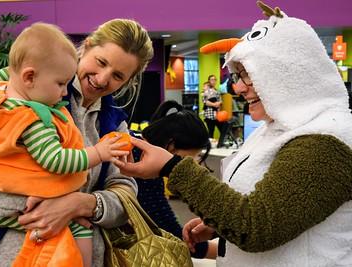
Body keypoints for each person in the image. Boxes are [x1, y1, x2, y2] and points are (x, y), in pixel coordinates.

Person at [117, 2, 352, 266]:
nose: (237, 88)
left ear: (287, 74)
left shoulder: (323, 142)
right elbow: (278, 213)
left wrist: (174, 168)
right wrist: (221, 224)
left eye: (247, 75)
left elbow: (257, 225)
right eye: (236, 76)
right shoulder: (278, 128)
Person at [0, 18, 153, 267]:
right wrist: (37, 208)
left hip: (81, 256)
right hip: (9, 252)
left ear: (128, 81)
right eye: (101, 62)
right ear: (87, 46)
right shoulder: (30, 93)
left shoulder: (114, 124)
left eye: (118, 76)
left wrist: (81, 204)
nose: (102, 79)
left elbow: (126, 196)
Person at [132, 100, 218, 258]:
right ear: (171, 146)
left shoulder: (139, 148)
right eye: (192, 157)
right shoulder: (143, 163)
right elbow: (164, 227)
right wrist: (220, 251)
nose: (195, 163)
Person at [202, 74, 228, 148]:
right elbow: (205, 101)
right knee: (211, 131)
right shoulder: (206, 91)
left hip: (217, 114)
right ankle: (209, 147)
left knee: (223, 127)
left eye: (214, 79)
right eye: (212, 79)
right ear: (209, 81)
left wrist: (218, 103)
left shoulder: (217, 90)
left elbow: (220, 100)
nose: (213, 81)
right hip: (209, 114)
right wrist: (214, 104)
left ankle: (220, 143)